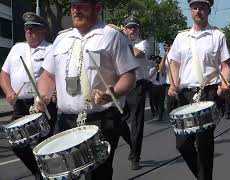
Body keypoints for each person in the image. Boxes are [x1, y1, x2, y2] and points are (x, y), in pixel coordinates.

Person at [34, 0, 138, 179]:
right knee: (59, 174)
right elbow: (48, 76)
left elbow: (129, 76)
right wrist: (42, 95)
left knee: (97, 176)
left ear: (97, 8)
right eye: (73, 6)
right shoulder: (61, 38)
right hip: (66, 121)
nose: (75, 10)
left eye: (82, 5)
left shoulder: (112, 36)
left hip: (99, 121)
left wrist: (113, 92)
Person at [167, 0, 230, 179]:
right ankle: (202, 176)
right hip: (186, 94)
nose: (198, 11)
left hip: (209, 92)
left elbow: (225, 66)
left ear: (209, 10)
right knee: (182, 144)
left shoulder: (217, 36)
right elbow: (174, 64)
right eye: (195, 8)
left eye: (202, 7)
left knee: (204, 142)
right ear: (190, 11)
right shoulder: (181, 38)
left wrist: (225, 82)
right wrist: (173, 85)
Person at [0, 12, 57, 180]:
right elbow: (3, 74)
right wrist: (9, 92)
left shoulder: (50, 49)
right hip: (20, 106)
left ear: (43, 31)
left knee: (42, 145)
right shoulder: (17, 48)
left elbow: (55, 76)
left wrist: (50, 94)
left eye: (33, 29)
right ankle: (39, 173)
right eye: (26, 29)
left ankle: (46, 175)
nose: (29, 32)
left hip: (42, 106)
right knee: (16, 144)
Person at [123, 15, 150, 170]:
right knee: (117, 122)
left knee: (137, 124)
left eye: (135, 27)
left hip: (137, 86)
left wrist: (121, 41)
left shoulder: (143, 43)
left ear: (139, 29)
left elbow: (136, 54)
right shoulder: (120, 43)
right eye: (129, 27)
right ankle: (132, 146)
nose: (132, 30)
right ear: (125, 29)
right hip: (122, 87)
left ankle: (135, 157)